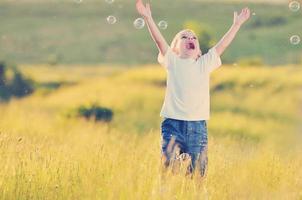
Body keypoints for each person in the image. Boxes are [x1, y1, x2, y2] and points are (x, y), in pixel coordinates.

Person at [136, 0, 251, 178]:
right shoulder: (172, 61)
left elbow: (222, 45)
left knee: (198, 173)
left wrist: (236, 24)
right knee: (167, 170)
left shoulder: (204, 63)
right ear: (174, 48)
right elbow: (159, 40)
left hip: (197, 126)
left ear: (198, 50)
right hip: (172, 124)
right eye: (184, 37)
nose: (190, 39)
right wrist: (148, 18)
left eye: (193, 38)